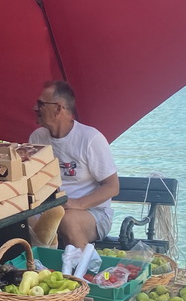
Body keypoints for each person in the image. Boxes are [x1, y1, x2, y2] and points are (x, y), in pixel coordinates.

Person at [28, 80, 120, 249]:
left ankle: (87, 272)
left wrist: (76, 203)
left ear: (58, 108)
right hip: (50, 209)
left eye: (41, 103)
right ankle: (39, 270)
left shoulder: (90, 138)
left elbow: (112, 187)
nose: (35, 108)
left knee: (65, 219)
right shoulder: (37, 138)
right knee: (16, 221)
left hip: (93, 213)